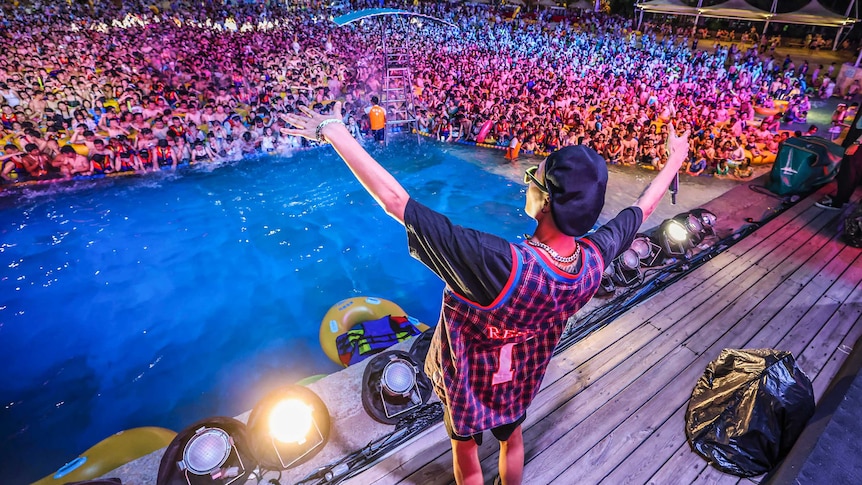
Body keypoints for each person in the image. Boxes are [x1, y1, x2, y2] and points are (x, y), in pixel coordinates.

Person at [281, 100, 689, 485]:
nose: (527, 182)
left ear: (545, 202)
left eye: (533, 177)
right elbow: (642, 210)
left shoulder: (496, 263)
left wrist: (333, 130)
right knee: (512, 438)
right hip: (522, 377)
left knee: (466, 451)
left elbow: (395, 201)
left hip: (468, 382)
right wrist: (674, 160)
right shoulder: (592, 261)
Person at [815, 132, 862, 211]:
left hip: (859, 143)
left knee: (848, 172)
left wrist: (856, 143)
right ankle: (843, 198)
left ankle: (837, 202)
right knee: (855, 173)